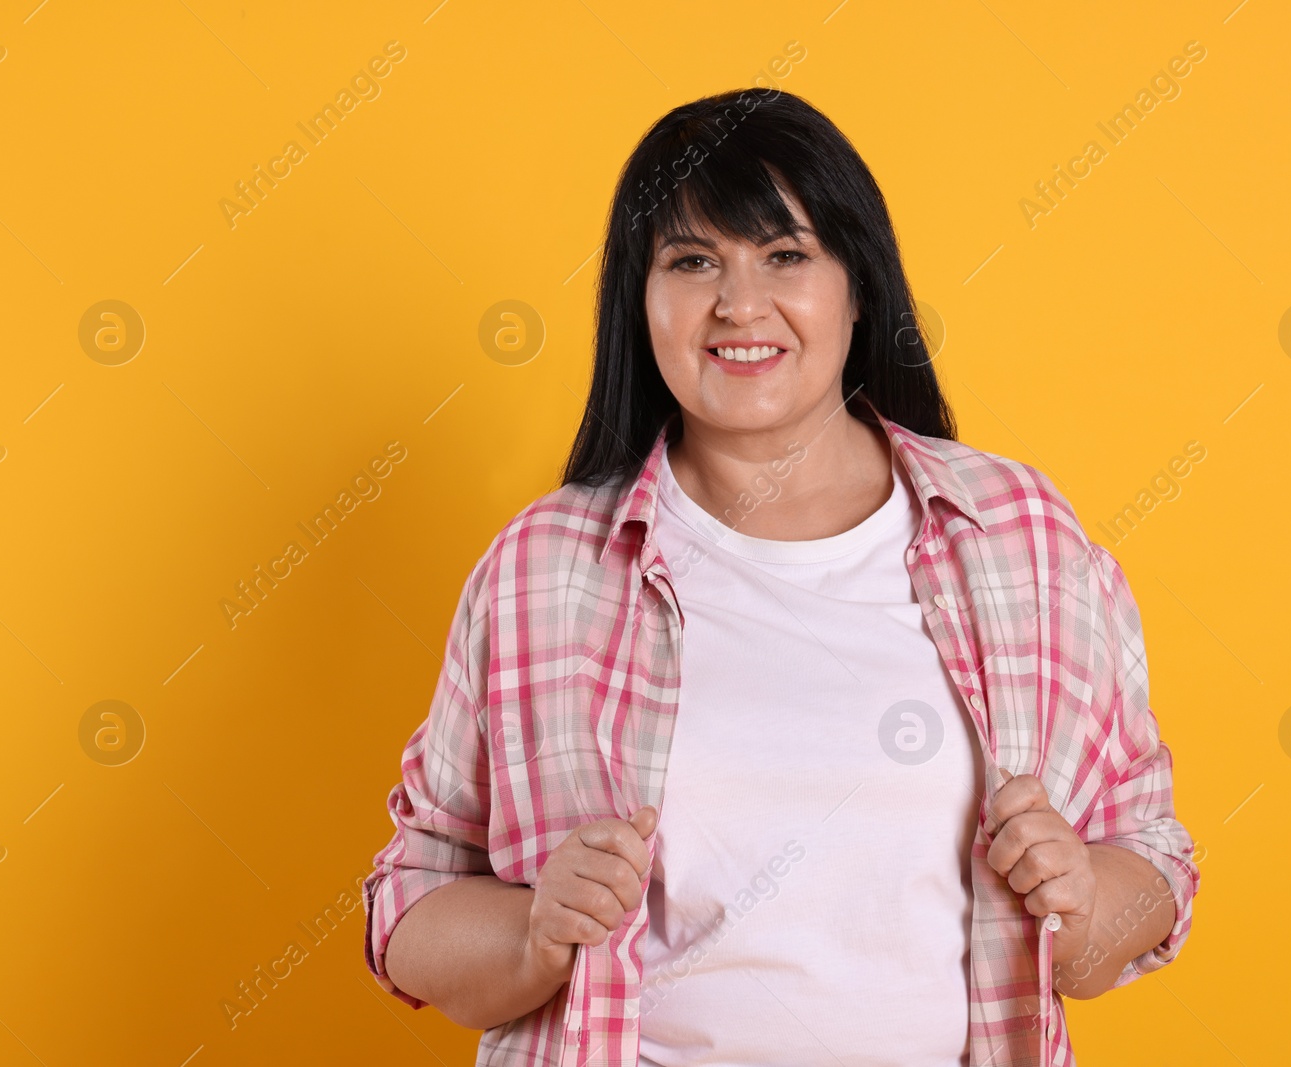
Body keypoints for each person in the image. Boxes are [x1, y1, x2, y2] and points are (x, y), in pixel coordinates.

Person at [362, 87, 1199, 1067]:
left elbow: (1150, 868)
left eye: (785, 255)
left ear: (858, 286)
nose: (737, 304)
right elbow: (409, 911)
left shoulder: (1016, 534)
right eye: (691, 261)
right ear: (640, 298)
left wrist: (1085, 895)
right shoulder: (542, 569)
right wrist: (537, 929)